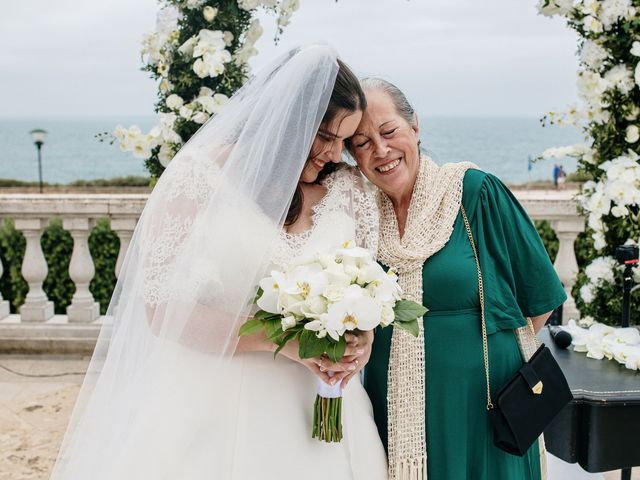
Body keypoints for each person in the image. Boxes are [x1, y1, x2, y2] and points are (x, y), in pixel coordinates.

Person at [50, 46, 387, 480]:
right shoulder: (197, 179)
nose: (334, 153)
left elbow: (364, 288)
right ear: (289, 119)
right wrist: (286, 341)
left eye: (345, 140)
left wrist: (363, 340)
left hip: (321, 407)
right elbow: (161, 310)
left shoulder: (347, 189)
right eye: (325, 136)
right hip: (213, 402)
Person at [348, 78, 567, 480]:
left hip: (483, 410)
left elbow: (542, 297)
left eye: (389, 131)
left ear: (415, 126)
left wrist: (479, 364)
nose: (380, 151)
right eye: (361, 143)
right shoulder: (359, 217)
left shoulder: (474, 192)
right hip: (394, 409)